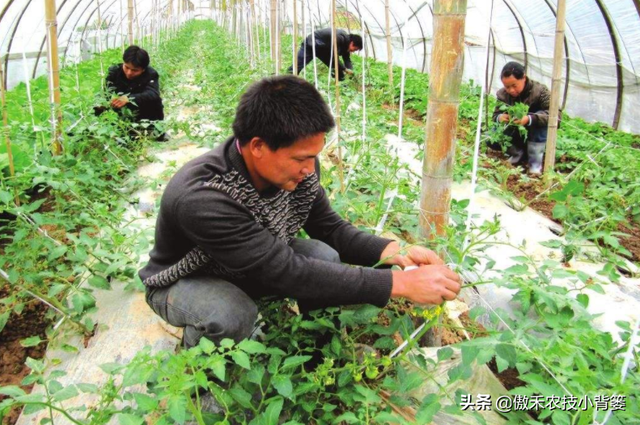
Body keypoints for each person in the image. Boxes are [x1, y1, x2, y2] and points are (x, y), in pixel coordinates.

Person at [140, 75, 461, 349]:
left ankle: (318, 352)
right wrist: (401, 285)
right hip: (187, 278)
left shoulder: (299, 168)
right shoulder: (203, 197)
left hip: (250, 262)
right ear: (258, 147)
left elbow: (330, 228)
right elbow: (284, 271)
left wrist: (397, 251)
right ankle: (202, 377)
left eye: (313, 157)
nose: (310, 169)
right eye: (300, 159)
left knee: (324, 255)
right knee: (231, 313)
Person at [491, 61, 557, 175]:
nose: (511, 90)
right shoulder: (502, 94)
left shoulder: (540, 91)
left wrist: (530, 119)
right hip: (516, 133)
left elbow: (555, 116)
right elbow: (495, 116)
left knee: (539, 123)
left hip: (535, 133)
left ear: (524, 78)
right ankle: (517, 154)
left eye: (514, 85)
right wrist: (500, 117)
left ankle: (535, 166)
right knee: (490, 136)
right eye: (507, 86)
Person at [98, 45, 166, 140]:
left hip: (143, 114)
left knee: (155, 100)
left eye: (135, 70)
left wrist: (129, 99)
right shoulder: (114, 72)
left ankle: (155, 131)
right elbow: (106, 93)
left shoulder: (151, 74)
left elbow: (153, 93)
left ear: (143, 69)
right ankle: (113, 132)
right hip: (122, 114)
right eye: (126, 67)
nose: (129, 72)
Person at [288, 28, 362, 81]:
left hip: (324, 49)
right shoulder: (339, 38)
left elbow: (347, 59)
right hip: (312, 44)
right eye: (354, 49)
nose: (353, 51)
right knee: (298, 65)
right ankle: (288, 79)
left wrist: (351, 71)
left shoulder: (347, 44)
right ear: (352, 43)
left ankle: (339, 84)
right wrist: (345, 69)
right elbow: (333, 58)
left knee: (339, 71)